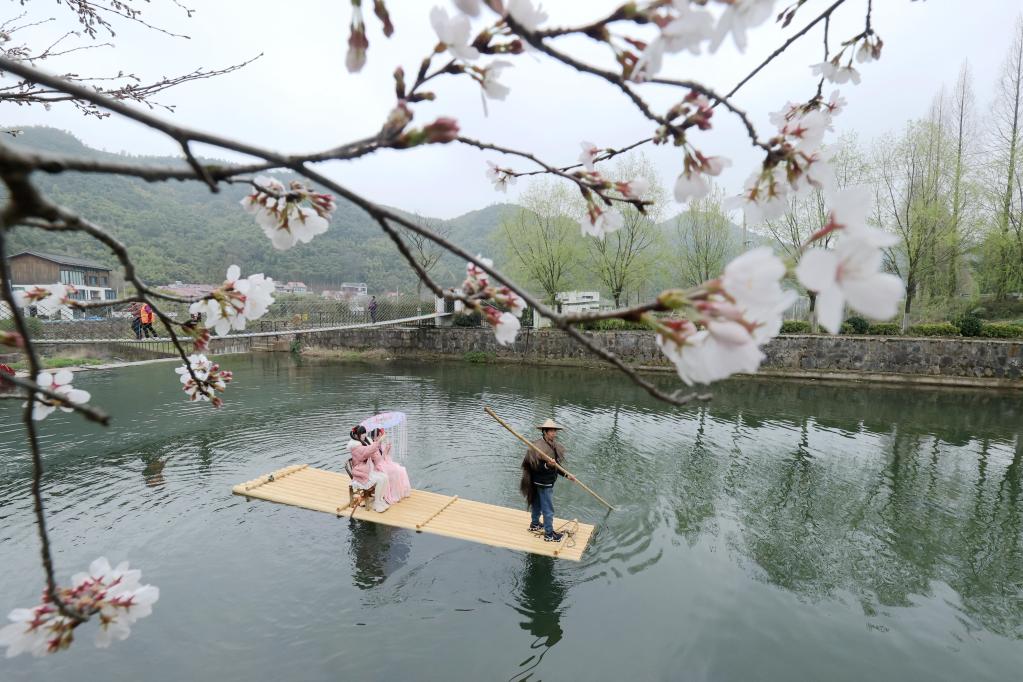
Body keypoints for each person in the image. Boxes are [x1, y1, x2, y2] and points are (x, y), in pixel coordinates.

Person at [520, 418, 575, 542]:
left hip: (546, 481)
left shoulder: (554, 446)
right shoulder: (537, 446)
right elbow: (535, 467)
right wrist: (547, 465)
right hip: (542, 482)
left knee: (537, 504)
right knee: (548, 509)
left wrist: (567, 475)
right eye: (551, 431)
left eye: (555, 431)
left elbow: (557, 467)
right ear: (544, 432)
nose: (554, 433)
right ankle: (549, 535)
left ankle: (535, 525)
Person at [346, 425, 390, 512]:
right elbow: (367, 451)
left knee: (385, 477)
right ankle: (376, 503)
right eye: (362, 433)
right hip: (361, 472)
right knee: (380, 480)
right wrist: (379, 441)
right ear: (356, 435)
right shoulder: (355, 447)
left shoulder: (364, 442)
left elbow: (372, 453)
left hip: (368, 469)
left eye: (364, 433)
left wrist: (383, 449)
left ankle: (379, 500)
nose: (364, 435)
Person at [370, 427, 411, 504]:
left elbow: (384, 456)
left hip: (383, 463)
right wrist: (384, 449)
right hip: (377, 466)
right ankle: (391, 493)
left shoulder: (380, 445)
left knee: (400, 469)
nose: (379, 437)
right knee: (393, 471)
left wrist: (387, 449)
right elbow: (378, 460)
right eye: (377, 436)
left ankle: (399, 491)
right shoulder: (372, 447)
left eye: (380, 436)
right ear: (373, 437)